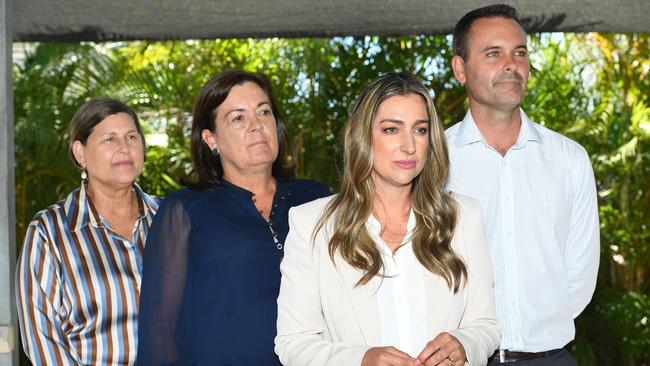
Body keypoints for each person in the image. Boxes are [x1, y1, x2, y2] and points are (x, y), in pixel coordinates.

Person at [275, 73, 499, 366]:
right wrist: (361, 360)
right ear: (362, 136)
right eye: (392, 130)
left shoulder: (463, 217)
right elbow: (294, 343)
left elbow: (486, 325)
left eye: (420, 130)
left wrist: (464, 345)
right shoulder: (312, 224)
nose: (409, 146)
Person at [136, 69, 331, 365]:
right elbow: (158, 333)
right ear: (210, 139)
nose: (256, 126)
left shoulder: (317, 199)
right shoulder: (184, 210)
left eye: (264, 112)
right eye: (238, 117)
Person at [445, 4, 600, 365]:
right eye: (493, 53)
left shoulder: (570, 159)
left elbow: (580, 274)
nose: (511, 64)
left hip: (551, 358)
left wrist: (539, 332)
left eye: (520, 52)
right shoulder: (434, 160)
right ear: (460, 69)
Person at [16, 97, 160, 365]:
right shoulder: (50, 232)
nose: (124, 148)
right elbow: (43, 339)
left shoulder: (170, 218)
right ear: (80, 153)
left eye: (131, 136)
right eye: (109, 139)